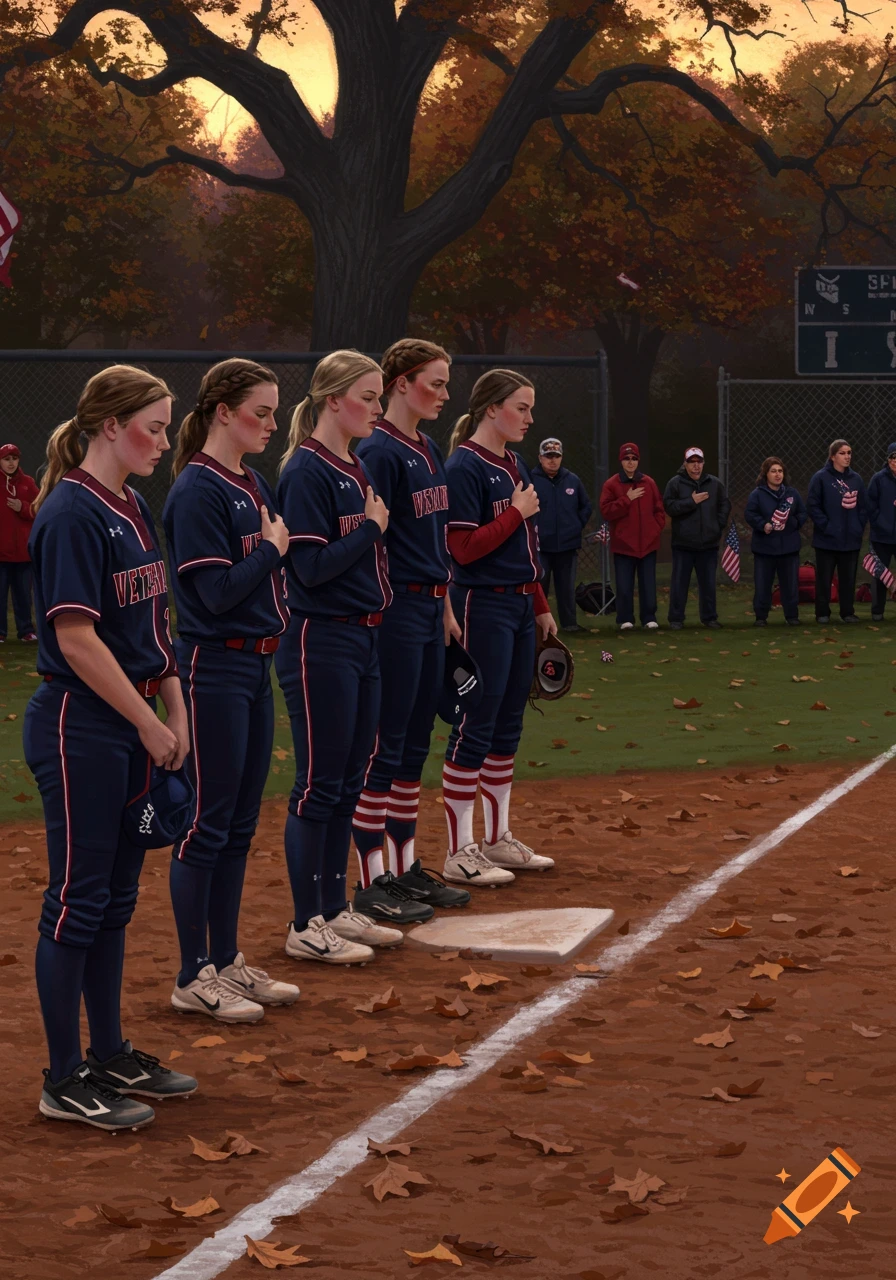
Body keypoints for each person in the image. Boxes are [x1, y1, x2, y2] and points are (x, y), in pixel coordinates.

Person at [24, 365, 196, 1132]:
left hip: (128, 723)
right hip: (79, 725)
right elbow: (77, 638)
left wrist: (174, 706)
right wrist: (149, 723)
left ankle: (110, 1049)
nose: (162, 439)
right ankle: (63, 1078)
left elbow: (150, 629)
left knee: (116, 900)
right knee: (79, 900)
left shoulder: (131, 503)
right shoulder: (70, 512)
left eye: (164, 426)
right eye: (152, 426)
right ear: (106, 426)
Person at [163, 359, 299, 1024]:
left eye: (275, 413)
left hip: (255, 667)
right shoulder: (197, 488)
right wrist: (272, 552)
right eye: (261, 412)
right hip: (212, 666)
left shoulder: (252, 479)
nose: (272, 424)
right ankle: (192, 974)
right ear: (223, 410)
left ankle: (225, 958)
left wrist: (272, 554)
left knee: (239, 825)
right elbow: (213, 596)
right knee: (206, 825)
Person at [276, 350, 402, 967]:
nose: (378, 409)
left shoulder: (353, 464)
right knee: (320, 785)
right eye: (369, 397)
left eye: (380, 397)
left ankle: (333, 909)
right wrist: (371, 530)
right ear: (333, 400)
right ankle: (306, 922)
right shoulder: (307, 470)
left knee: (350, 780)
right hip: (320, 639)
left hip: (364, 638)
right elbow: (309, 570)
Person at [351, 339, 471, 920]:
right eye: (435, 382)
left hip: (428, 607)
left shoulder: (426, 447)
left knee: (415, 742)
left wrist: (445, 602)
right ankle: (373, 878)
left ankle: (403, 867)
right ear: (401, 383)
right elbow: (375, 542)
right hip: (395, 609)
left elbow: (433, 538)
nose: (445, 394)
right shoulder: (379, 450)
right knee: (387, 741)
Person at [442, 369, 558, 885]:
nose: (530, 418)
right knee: (476, 722)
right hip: (480, 604)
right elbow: (462, 550)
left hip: (515, 604)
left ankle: (497, 838)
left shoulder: (514, 462)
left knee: (509, 720)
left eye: (531, 408)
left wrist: (539, 604)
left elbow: (525, 551)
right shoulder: (464, 465)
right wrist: (513, 512)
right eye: (522, 407)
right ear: (492, 408)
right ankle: (459, 849)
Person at [663, 446, 731, 630]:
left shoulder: (715, 484)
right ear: (685, 464)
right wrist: (691, 502)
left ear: (703, 463)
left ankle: (709, 618)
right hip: (683, 545)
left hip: (708, 544)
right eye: (691, 462)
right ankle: (676, 619)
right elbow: (669, 507)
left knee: (708, 584)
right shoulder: (675, 483)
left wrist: (718, 525)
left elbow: (724, 505)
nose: (695, 466)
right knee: (679, 584)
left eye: (698, 462)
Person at [599, 442, 664, 631]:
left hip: (648, 544)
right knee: (624, 585)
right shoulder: (612, 484)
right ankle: (625, 618)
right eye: (627, 458)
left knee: (648, 584)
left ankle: (649, 617)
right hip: (624, 545)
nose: (630, 462)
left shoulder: (649, 483)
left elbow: (659, 509)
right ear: (621, 460)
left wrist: (655, 529)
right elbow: (606, 511)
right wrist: (627, 499)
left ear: (638, 461)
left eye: (634, 458)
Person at [530, 437, 592, 632]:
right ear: (540, 458)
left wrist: (575, 526)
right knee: (540, 587)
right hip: (540, 546)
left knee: (566, 588)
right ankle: (537, 626)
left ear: (561, 457)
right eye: (548, 456)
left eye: (556, 456)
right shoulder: (530, 480)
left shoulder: (572, 479)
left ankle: (569, 624)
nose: (552, 460)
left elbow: (586, 506)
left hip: (567, 545)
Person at [806, 439, 868, 624]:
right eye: (842, 453)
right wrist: (827, 526)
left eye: (849, 453)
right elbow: (813, 506)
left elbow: (863, 507)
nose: (847, 456)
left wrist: (858, 527)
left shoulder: (856, 479)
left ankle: (847, 612)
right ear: (832, 456)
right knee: (824, 579)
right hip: (827, 540)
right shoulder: (820, 478)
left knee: (848, 579)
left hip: (850, 539)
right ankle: (822, 613)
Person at [744, 457, 808, 627]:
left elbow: (802, 514)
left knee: (790, 585)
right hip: (765, 549)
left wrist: (792, 523)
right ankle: (761, 617)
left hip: (789, 548)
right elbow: (750, 514)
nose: (777, 474)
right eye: (773, 471)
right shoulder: (757, 494)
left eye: (780, 471)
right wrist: (762, 525)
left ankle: (791, 616)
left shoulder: (792, 494)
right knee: (763, 585)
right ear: (765, 474)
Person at [0, 443, 38, 642]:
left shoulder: (28, 483)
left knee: (23, 594)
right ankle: (0, 632)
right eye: (7, 459)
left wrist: (22, 507)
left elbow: (38, 509)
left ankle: (26, 631)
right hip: (1, 552)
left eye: (14, 458)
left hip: (22, 552)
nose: (11, 463)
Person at [867, 441, 896, 621]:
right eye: (893, 457)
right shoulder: (878, 479)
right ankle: (877, 611)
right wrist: (881, 524)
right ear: (888, 459)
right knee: (879, 574)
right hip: (882, 537)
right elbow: (870, 506)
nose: (895, 461)